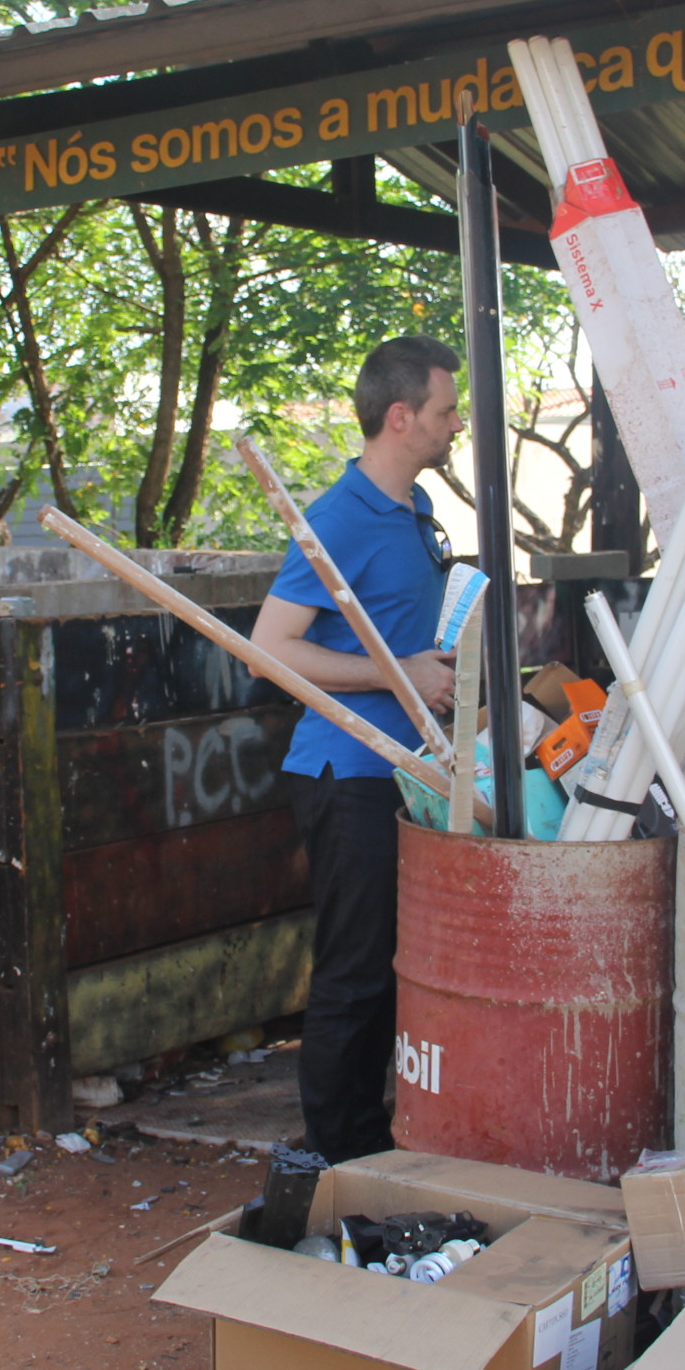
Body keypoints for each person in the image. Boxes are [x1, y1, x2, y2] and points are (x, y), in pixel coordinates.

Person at [250, 335, 465, 1164]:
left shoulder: (416, 511)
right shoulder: (339, 515)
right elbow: (272, 647)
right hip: (349, 773)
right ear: (401, 415)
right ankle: (334, 1156)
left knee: (394, 969)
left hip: (407, 774)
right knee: (355, 972)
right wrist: (394, 674)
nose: (455, 426)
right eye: (445, 411)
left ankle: (373, 1141)